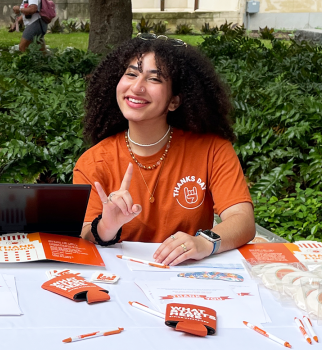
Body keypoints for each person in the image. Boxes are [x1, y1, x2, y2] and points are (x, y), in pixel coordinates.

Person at [73, 34, 255, 266]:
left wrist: (204, 242)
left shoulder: (212, 149)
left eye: (155, 79)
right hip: (121, 282)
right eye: (131, 74)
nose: (137, 87)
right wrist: (107, 226)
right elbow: (85, 236)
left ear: (174, 101)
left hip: (192, 277)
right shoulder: (93, 161)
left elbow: (242, 219)